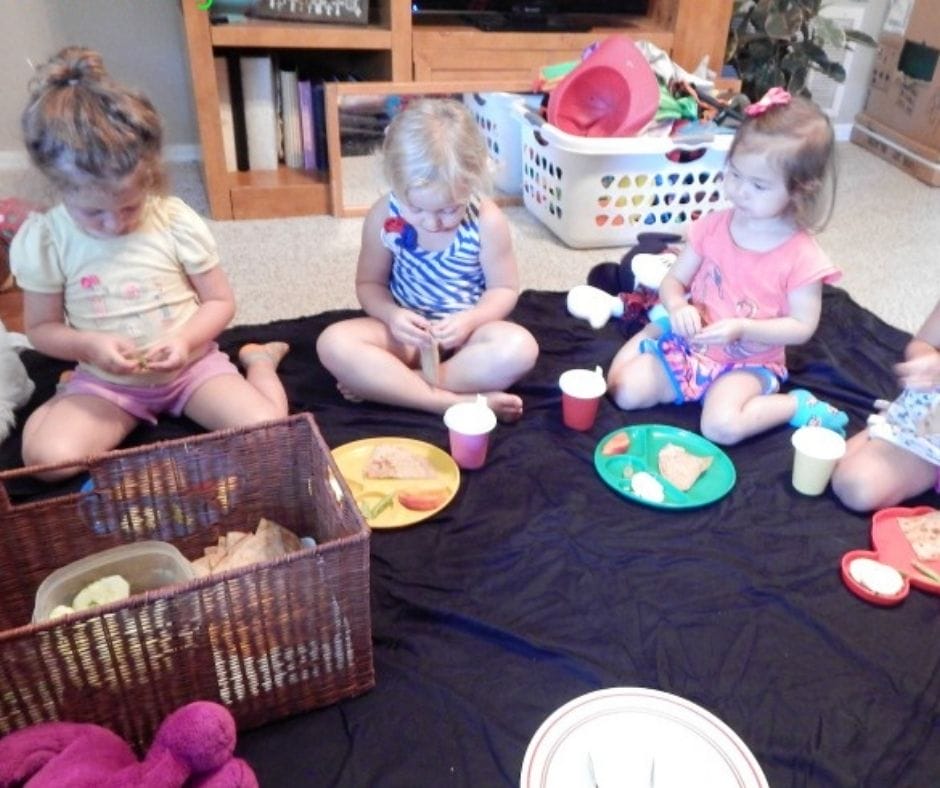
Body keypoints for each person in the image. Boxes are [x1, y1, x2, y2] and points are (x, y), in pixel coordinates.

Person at [11, 47, 289, 481]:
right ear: (58, 188)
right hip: (107, 384)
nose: (114, 223)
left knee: (270, 434)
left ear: (151, 177)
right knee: (48, 463)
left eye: (129, 207)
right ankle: (66, 390)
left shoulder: (172, 218)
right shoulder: (46, 238)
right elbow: (41, 329)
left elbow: (218, 301)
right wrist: (89, 348)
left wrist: (182, 341)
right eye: (93, 213)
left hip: (193, 370)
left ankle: (259, 363)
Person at [607, 88, 848, 445]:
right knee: (623, 391)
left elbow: (801, 327)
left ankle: (794, 406)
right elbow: (674, 281)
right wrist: (675, 306)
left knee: (721, 428)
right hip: (691, 344)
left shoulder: (803, 257)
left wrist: (743, 328)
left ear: (800, 190)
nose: (739, 191)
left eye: (758, 185)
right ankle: (654, 331)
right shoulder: (713, 225)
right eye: (734, 174)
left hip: (748, 362)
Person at [316, 97, 538, 421]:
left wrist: (471, 321)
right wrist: (392, 316)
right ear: (395, 184)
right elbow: (369, 283)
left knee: (520, 347)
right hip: (405, 337)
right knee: (333, 342)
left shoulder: (487, 221)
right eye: (417, 209)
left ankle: (398, 386)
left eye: (449, 210)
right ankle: (450, 403)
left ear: (473, 181)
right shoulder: (383, 215)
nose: (432, 223)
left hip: (465, 343)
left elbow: (504, 289)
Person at [832, 299, 940, 511]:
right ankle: (888, 425)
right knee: (854, 486)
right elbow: (922, 344)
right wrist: (927, 361)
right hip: (930, 426)